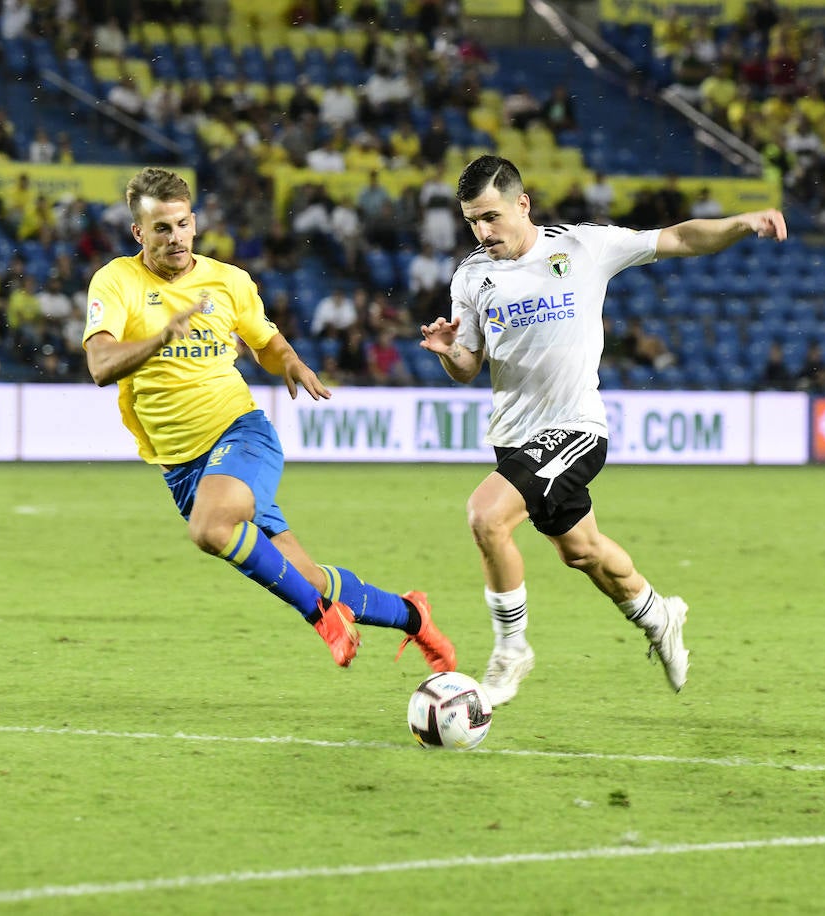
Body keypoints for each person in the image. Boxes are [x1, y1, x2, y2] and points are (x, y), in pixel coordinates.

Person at [420, 155, 786, 704]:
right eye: (472, 220)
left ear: (523, 204)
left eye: (491, 217)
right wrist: (449, 353)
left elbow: (679, 238)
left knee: (486, 516)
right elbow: (468, 366)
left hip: (575, 429)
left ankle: (511, 649)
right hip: (515, 436)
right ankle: (660, 615)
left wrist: (739, 224)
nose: (482, 231)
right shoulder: (473, 276)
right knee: (583, 552)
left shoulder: (582, 247)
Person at [81, 167, 455, 671]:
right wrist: (162, 338)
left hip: (240, 432)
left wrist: (292, 361)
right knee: (306, 574)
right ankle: (414, 617)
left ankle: (323, 617)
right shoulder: (115, 281)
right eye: (161, 228)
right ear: (138, 233)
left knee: (211, 529)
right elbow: (101, 366)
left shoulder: (228, 281)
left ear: (194, 222)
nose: (175, 238)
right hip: (183, 467)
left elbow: (266, 343)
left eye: (182, 225)